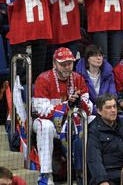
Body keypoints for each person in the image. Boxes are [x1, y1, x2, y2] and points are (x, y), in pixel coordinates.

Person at [33, 48, 92, 185]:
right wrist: (66, 105)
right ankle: (46, 174)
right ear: (54, 64)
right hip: (50, 123)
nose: (67, 67)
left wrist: (79, 102)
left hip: (72, 122)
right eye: (63, 64)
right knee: (44, 126)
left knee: (94, 121)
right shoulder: (43, 79)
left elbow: (89, 108)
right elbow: (42, 112)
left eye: (69, 63)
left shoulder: (78, 78)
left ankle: (85, 170)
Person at [75, 44, 116, 114]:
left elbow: (113, 95)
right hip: (88, 112)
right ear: (87, 58)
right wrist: (97, 110)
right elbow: (82, 100)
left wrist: (105, 108)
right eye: (94, 55)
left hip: (107, 109)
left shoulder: (109, 74)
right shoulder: (79, 76)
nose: (99, 58)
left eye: (100, 55)